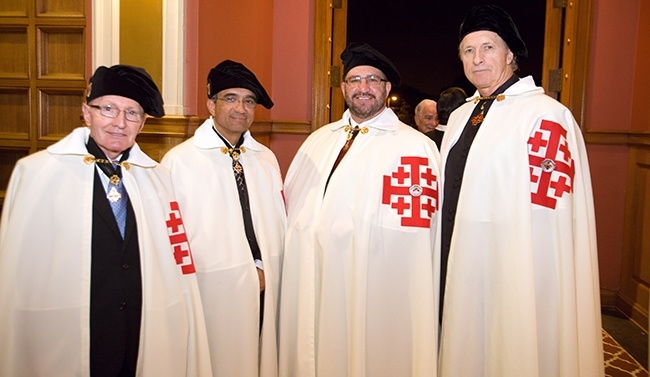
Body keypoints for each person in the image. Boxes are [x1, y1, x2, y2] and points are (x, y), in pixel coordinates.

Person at [0, 65, 212, 376]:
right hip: (72, 333)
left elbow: (176, 260)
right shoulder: (37, 175)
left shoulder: (157, 179)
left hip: (139, 332)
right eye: (109, 109)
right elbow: (18, 273)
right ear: (86, 112)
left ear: (142, 123)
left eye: (132, 113)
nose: (119, 123)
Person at [437, 5, 603, 377]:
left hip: (516, 264)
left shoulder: (545, 115)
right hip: (459, 254)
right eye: (468, 50)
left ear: (511, 54)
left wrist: (531, 274)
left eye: (488, 48)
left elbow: (552, 209)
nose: (477, 59)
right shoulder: (463, 115)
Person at [278, 42, 441, 377]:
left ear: (387, 89)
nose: (363, 88)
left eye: (372, 80)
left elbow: (419, 239)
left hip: (371, 289)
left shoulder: (415, 147)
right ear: (343, 88)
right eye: (355, 80)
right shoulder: (319, 141)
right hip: (313, 278)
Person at [161, 60, 285, 377]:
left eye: (248, 101)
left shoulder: (265, 159)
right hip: (211, 288)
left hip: (264, 285)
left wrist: (263, 267)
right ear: (210, 105)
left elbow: (275, 225)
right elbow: (173, 236)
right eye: (230, 98)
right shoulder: (181, 161)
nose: (240, 109)